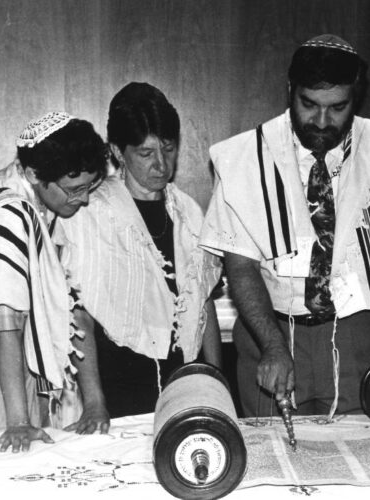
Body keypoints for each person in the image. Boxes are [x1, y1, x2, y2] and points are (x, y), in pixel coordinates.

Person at [200, 34, 370, 417]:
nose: (323, 121)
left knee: (360, 449)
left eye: (338, 108)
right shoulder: (243, 159)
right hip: (272, 334)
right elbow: (241, 266)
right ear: (289, 91)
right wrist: (273, 346)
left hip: (357, 336)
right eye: (309, 105)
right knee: (273, 454)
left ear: (355, 98)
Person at [59, 82, 223, 430]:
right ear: (118, 152)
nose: (161, 164)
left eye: (168, 148)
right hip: (115, 384)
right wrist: (94, 403)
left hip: (184, 381)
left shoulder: (189, 214)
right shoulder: (90, 213)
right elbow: (79, 314)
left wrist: (216, 385)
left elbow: (203, 305)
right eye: (146, 154)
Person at [0, 112, 108, 452]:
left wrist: (95, 402)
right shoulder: (9, 211)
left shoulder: (45, 203)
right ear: (33, 175)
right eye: (75, 189)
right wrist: (18, 422)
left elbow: (74, 304)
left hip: (15, 365)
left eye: (90, 187)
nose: (83, 199)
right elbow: (5, 320)